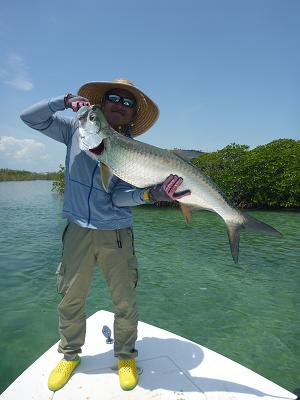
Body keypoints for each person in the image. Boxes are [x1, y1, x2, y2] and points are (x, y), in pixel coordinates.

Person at [20, 78, 190, 392]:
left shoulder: (135, 153)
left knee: (125, 301)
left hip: (117, 233)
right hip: (77, 231)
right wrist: (65, 99)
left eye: (129, 104)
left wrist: (152, 196)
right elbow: (30, 117)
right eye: (114, 98)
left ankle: (125, 356)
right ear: (100, 104)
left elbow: (120, 197)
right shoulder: (75, 130)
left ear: (133, 115)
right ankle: (70, 355)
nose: (120, 105)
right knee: (71, 299)